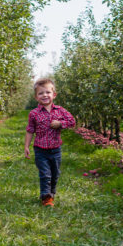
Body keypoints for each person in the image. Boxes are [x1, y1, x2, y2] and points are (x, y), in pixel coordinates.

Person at [24, 78, 76, 206]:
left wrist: (60, 124)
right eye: (41, 93)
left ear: (54, 94)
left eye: (47, 92)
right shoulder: (34, 114)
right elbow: (30, 130)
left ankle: (51, 193)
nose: (45, 95)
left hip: (55, 149)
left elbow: (72, 122)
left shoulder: (60, 110)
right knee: (45, 174)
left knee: (55, 174)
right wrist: (26, 146)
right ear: (36, 97)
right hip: (40, 149)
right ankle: (46, 197)